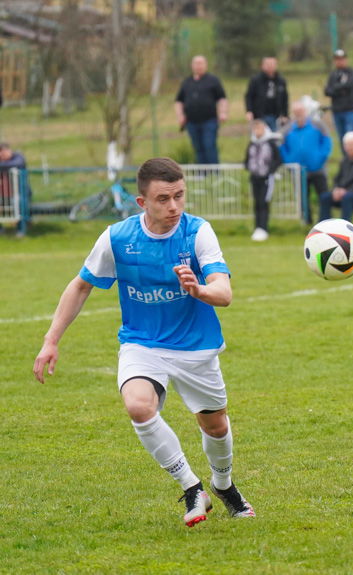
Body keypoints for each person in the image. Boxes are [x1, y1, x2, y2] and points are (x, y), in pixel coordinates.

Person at [32, 157, 255, 527]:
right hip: (143, 343)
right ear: (142, 203)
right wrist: (50, 339)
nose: (174, 207)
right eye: (164, 199)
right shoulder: (118, 238)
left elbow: (225, 292)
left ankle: (224, 485)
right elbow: (81, 285)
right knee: (138, 406)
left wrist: (198, 289)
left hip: (195, 345)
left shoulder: (197, 232)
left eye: (180, 196)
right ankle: (191, 487)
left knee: (215, 426)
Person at [279, 100, 332, 224]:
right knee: (303, 198)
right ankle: (306, 222)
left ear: (305, 111)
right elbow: (280, 144)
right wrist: (288, 160)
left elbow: (327, 141)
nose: (298, 114)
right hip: (298, 171)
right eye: (296, 112)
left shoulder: (317, 124)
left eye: (300, 111)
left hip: (317, 168)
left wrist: (321, 157)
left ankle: (326, 222)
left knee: (323, 196)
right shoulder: (288, 128)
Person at [174, 55, 228, 165]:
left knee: (209, 145)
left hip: (209, 121)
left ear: (206, 65)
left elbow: (222, 98)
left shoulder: (213, 80)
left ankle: (214, 173)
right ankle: (202, 174)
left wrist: (223, 112)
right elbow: (179, 101)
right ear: (192, 66)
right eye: (196, 63)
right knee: (198, 148)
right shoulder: (187, 82)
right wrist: (180, 116)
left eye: (201, 63)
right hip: (192, 122)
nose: (198, 66)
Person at [244, 120, 283, 241]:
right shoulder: (252, 143)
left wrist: (270, 171)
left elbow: (278, 159)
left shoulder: (270, 143)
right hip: (255, 177)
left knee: (263, 202)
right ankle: (257, 227)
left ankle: (264, 228)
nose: (257, 131)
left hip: (266, 178)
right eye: (255, 129)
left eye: (259, 128)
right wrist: (249, 166)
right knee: (256, 203)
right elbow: (247, 159)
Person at [325, 49, 353, 153]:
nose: (340, 61)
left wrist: (335, 89)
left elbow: (350, 86)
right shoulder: (333, 74)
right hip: (337, 110)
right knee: (341, 138)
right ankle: (346, 160)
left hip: (349, 110)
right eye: (337, 59)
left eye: (342, 59)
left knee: (351, 137)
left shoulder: (351, 72)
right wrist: (340, 89)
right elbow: (327, 91)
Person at [244, 56, 289, 132]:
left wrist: (285, 114)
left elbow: (285, 98)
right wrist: (249, 110)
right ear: (262, 66)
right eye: (268, 64)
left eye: (272, 64)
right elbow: (249, 96)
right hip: (259, 115)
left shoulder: (280, 81)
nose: (270, 66)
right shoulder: (255, 80)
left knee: (275, 137)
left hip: (276, 115)